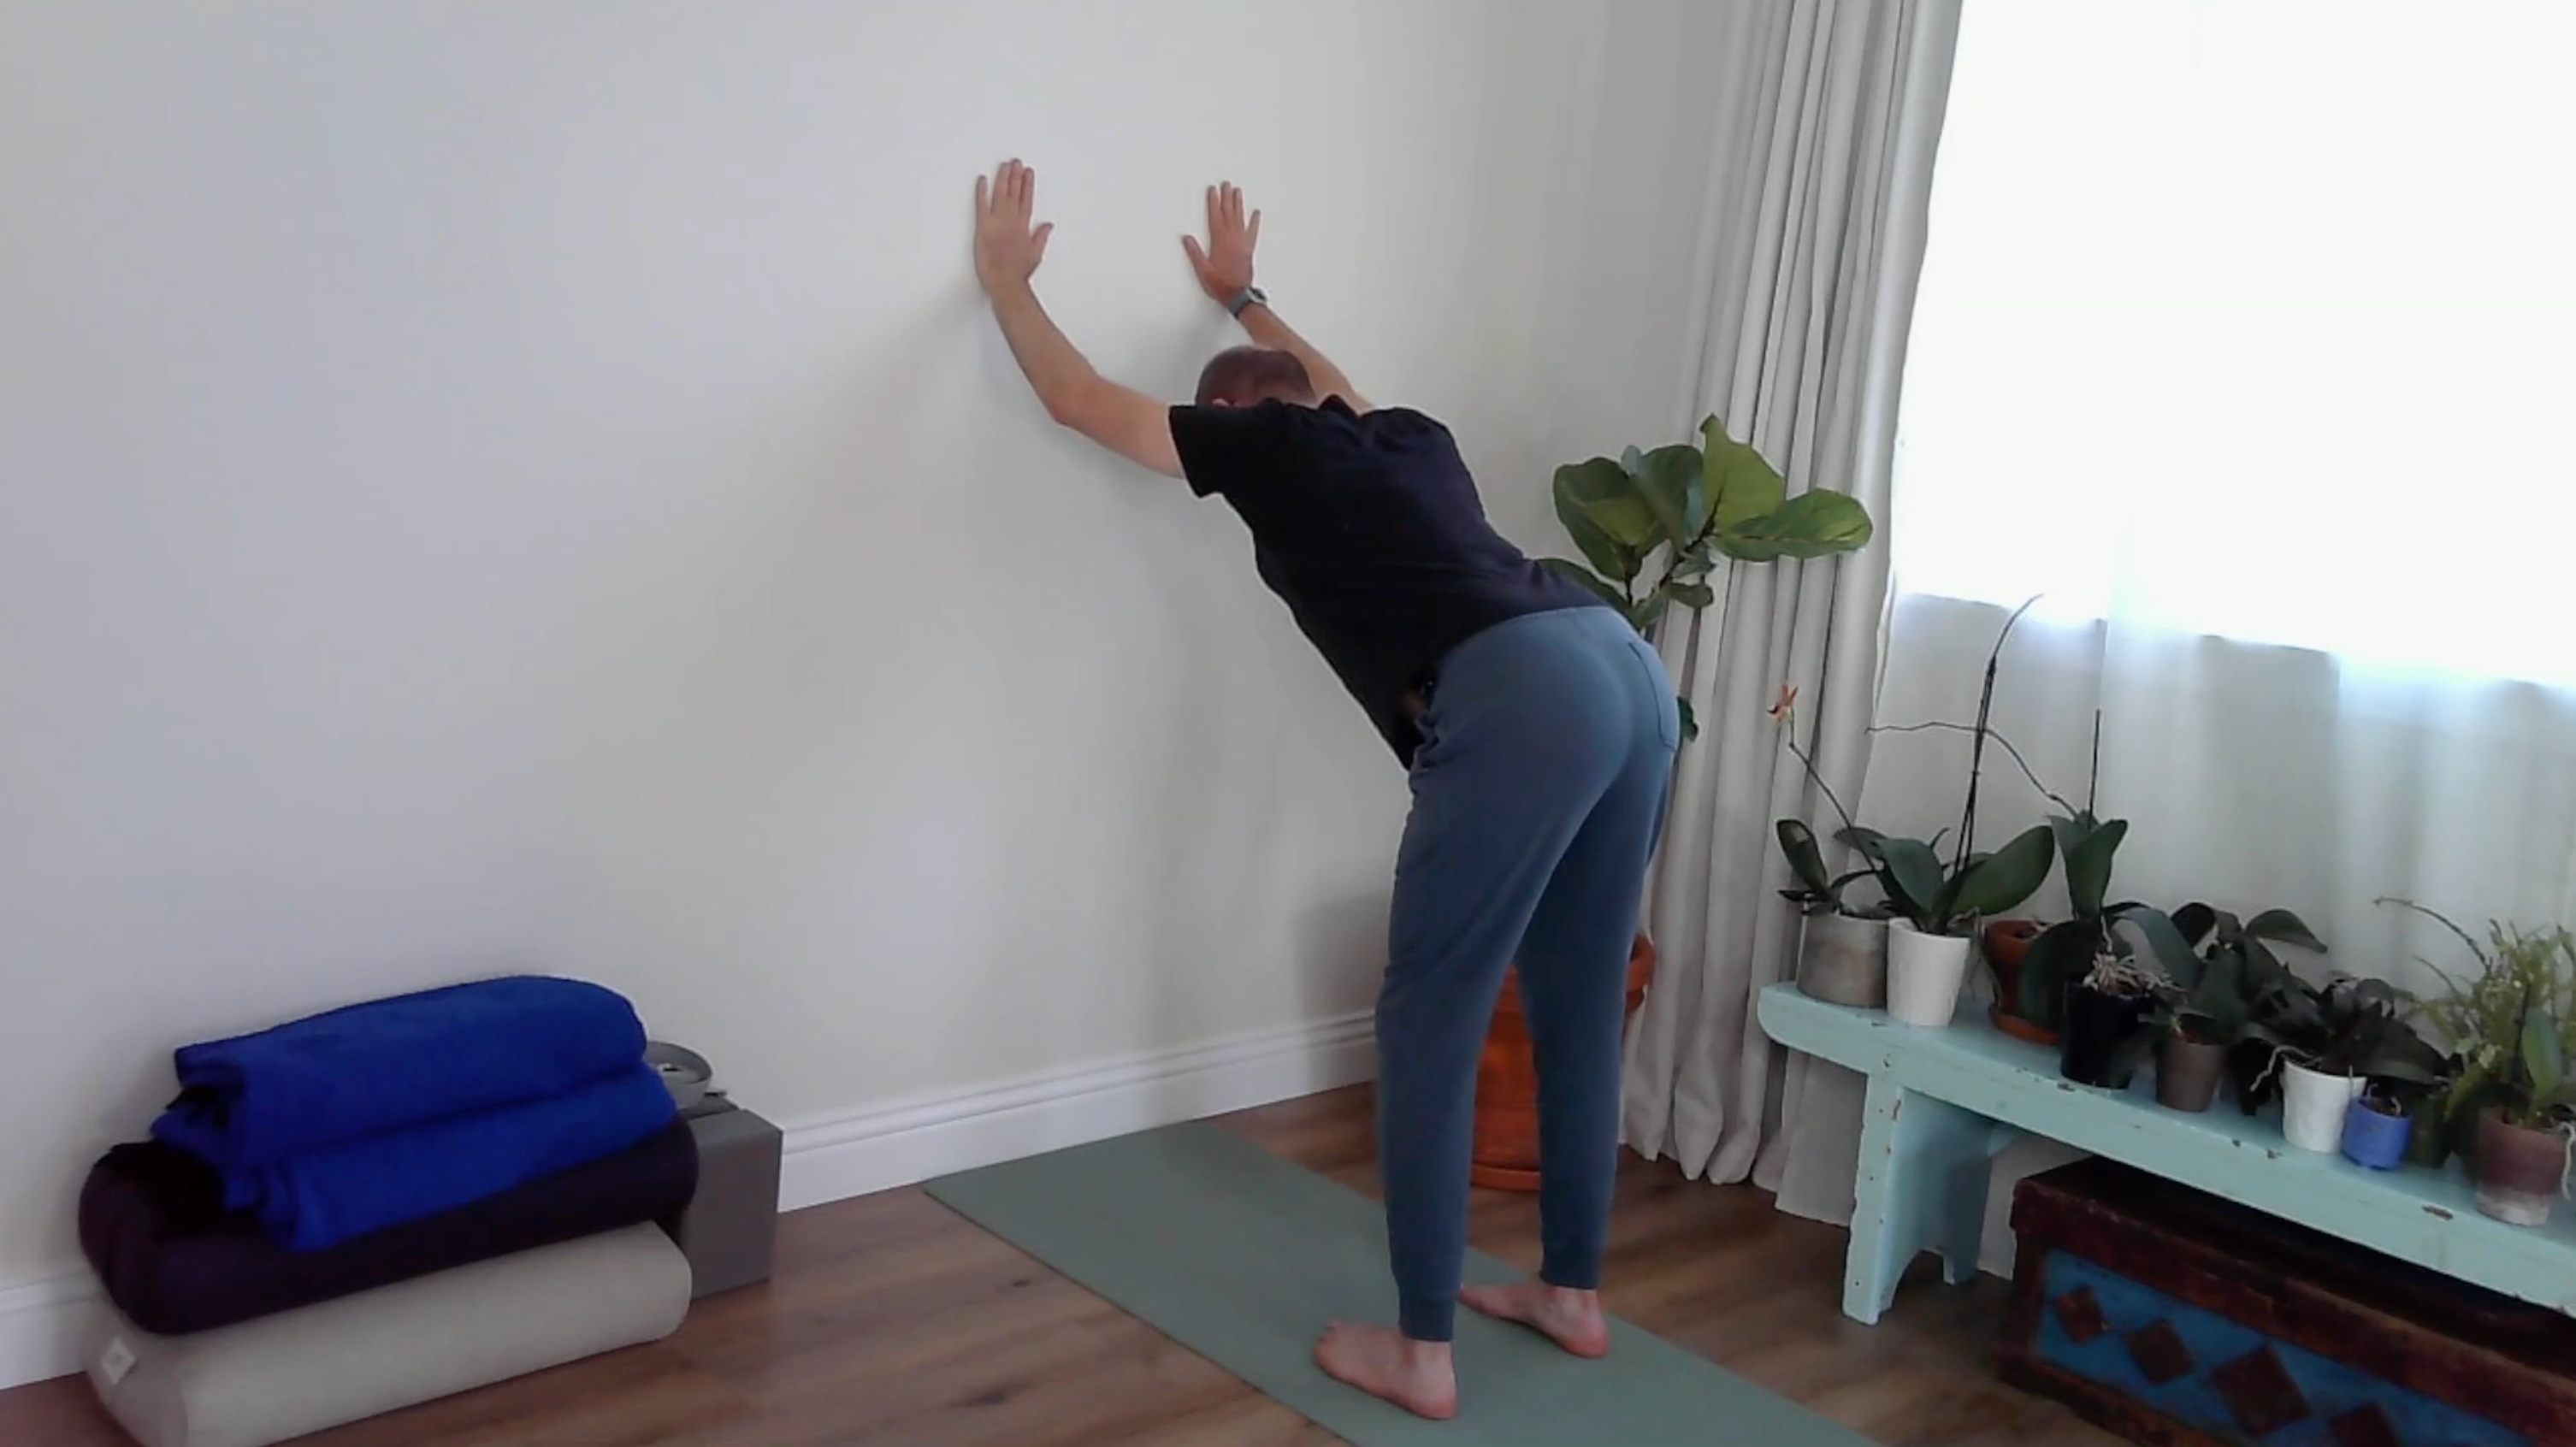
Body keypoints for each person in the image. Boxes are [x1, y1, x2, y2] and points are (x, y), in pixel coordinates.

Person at [967, 158, 1678, 1420]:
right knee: (1575, 998)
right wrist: (1248, 298)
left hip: (1519, 696)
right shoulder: (1404, 436)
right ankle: (1570, 1293)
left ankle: (1421, 1349)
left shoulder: (1265, 448)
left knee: (1428, 1017)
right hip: (1619, 662)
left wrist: (1007, 286)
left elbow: (1079, 401)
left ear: (1236, 420)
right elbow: (1330, 376)